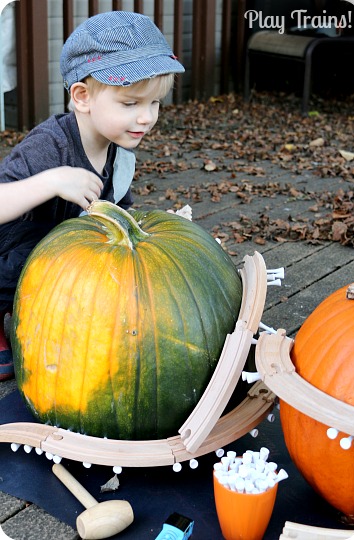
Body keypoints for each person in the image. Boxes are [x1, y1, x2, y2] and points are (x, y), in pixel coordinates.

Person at [0, 10, 185, 381]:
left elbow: (116, 214)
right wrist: (51, 181)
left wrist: (162, 229)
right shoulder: (49, 146)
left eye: (154, 103)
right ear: (82, 97)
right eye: (131, 104)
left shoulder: (119, 154)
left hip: (61, 263)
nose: (147, 118)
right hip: (12, 260)